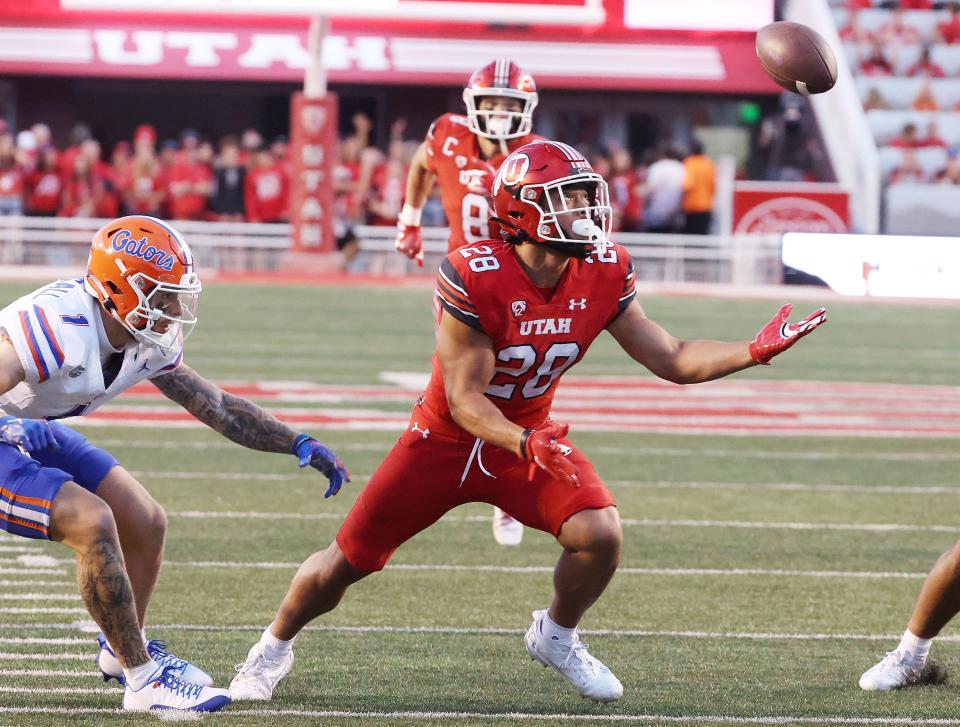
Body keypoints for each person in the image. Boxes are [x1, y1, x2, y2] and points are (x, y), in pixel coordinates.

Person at [230, 140, 827, 706]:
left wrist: (752, 350)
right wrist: (522, 438)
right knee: (346, 562)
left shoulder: (604, 269)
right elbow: (464, 400)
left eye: (586, 195)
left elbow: (669, 356)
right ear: (522, 211)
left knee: (600, 536)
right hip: (444, 441)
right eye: (567, 198)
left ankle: (556, 635)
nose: (586, 209)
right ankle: (271, 648)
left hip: (528, 443)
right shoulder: (475, 272)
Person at [0, 215, 348, 713]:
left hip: (21, 421)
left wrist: (296, 442)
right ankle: (144, 683)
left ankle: (121, 654)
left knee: (145, 521)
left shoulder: (135, 334)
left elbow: (216, 406)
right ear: (121, 290)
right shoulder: (60, 328)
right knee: (91, 520)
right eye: (163, 295)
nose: (175, 309)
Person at [394, 59, 540, 547]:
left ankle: (505, 494)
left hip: (518, 285)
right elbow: (420, 163)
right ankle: (424, 473)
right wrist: (410, 219)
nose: (499, 113)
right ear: (473, 105)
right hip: (460, 282)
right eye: (492, 103)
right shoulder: (447, 134)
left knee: (511, 387)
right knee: (455, 386)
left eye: (508, 105)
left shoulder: (539, 157)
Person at [682, 140, 716, 235]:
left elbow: (687, 185)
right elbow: (714, 185)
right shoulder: (709, 164)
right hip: (707, 206)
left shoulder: (690, 163)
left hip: (692, 207)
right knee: (703, 238)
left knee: (691, 240)